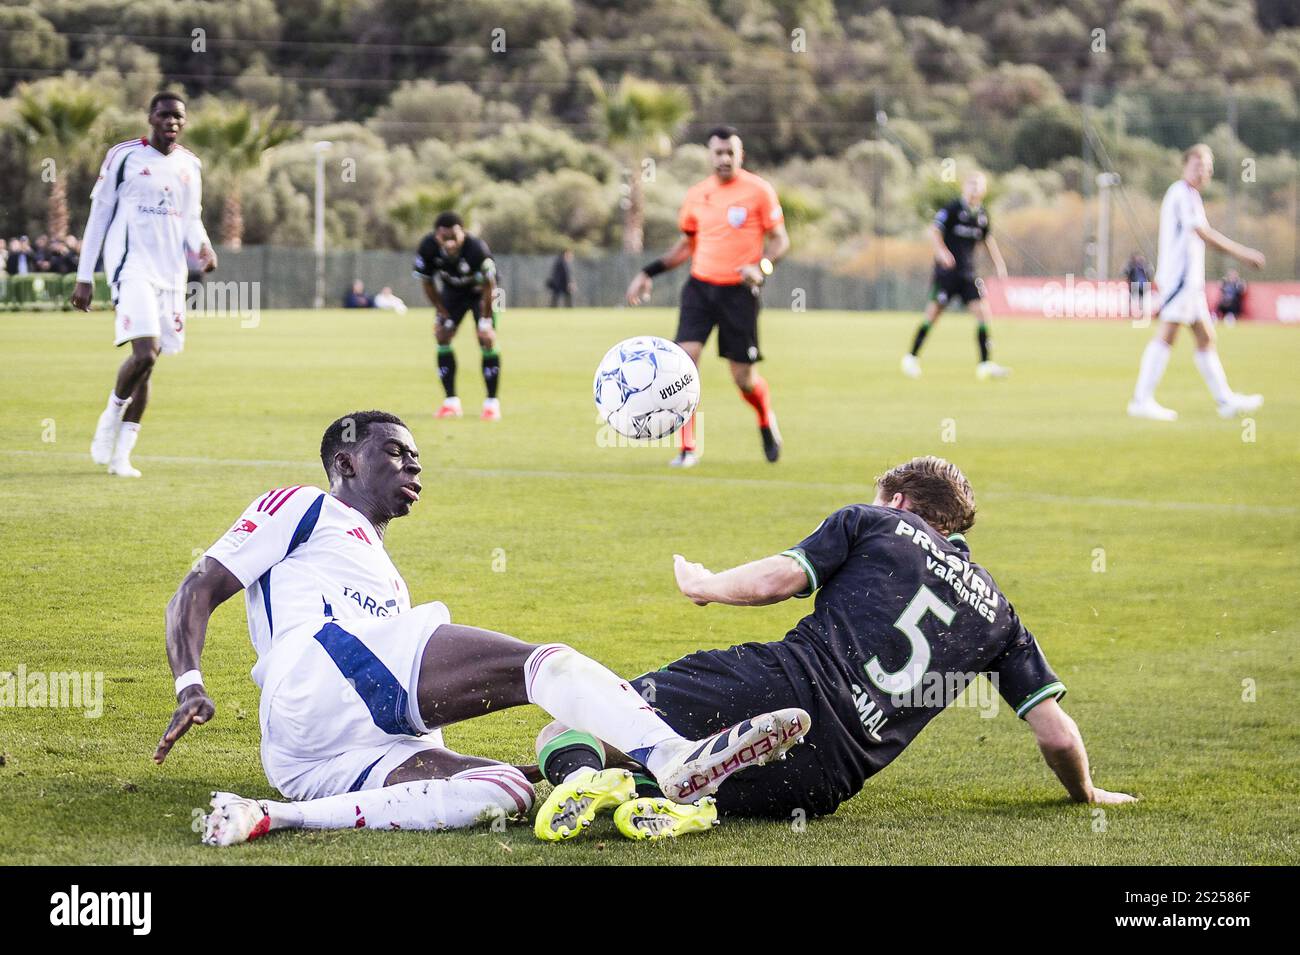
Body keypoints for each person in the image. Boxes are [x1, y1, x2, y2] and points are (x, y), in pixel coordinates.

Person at [156, 410, 808, 846]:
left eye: (417, 456)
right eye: (395, 451)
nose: (413, 465)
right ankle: (669, 756)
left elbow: (404, 703)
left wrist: (548, 760)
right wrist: (189, 681)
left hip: (306, 756)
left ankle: (268, 815)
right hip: (316, 671)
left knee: (504, 789)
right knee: (537, 663)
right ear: (346, 462)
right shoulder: (306, 505)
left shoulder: (384, 573)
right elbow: (198, 586)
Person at [530, 455, 1135, 841]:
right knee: (682, 770)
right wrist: (1085, 794)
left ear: (899, 502)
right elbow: (1055, 733)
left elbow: (775, 582)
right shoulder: (1002, 619)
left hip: (779, 686)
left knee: (569, 726)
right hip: (826, 781)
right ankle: (683, 804)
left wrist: (704, 585)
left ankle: (579, 774)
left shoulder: (877, 524)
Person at [626, 125, 790, 468]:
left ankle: (765, 419)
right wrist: (648, 272)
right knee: (683, 365)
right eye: (718, 152)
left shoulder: (759, 191)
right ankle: (688, 448)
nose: (724, 158)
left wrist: (761, 266)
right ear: (709, 155)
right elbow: (686, 246)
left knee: (743, 379)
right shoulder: (697, 195)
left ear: (740, 155)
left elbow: (780, 241)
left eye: (731, 152)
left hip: (739, 294)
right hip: (700, 288)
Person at [72, 91, 217, 477]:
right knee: (146, 353)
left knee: (149, 368)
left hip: (171, 275)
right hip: (131, 266)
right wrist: (84, 276)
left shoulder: (190, 165)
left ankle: (122, 454)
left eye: (179, 117)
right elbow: (99, 215)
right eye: (165, 115)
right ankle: (110, 416)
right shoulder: (124, 157)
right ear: (151, 117)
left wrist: (203, 246)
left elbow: (191, 219)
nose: (172, 122)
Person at [1128, 145, 1265, 422]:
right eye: (1197, 165)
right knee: (1167, 334)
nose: (1202, 171)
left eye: (1206, 167)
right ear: (1184, 166)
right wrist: (1244, 254)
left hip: (1190, 283)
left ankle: (1225, 401)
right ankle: (1141, 400)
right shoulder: (1182, 193)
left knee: (1205, 338)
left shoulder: (1189, 195)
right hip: (1180, 281)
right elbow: (1203, 233)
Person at [902, 172, 1010, 380]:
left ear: (984, 190)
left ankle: (985, 364)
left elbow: (988, 240)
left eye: (978, 185)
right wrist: (942, 252)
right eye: (971, 184)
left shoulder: (982, 215)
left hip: (969, 274)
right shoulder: (952, 209)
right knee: (933, 314)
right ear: (964, 187)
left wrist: (998, 262)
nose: (974, 188)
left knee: (983, 313)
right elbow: (934, 231)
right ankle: (911, 358)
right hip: (947, 274)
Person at [413, 212, 502, 420]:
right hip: (453, 293)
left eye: (454, 236)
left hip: (482, 294)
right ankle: (451, 403)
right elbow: (427, 282)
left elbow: (491, 286)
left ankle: (491, 404)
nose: (450, 242)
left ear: (463, 233)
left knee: (486, 339)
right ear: (437, 236)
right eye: (445, 237)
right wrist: (441, 313)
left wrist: (486, 320)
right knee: (442, 335)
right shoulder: (427, 247)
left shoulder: (477, 249)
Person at [1123, 252, 1151, 317]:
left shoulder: (1141, 265)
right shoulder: (1135, 265)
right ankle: (1136, 312)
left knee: (1138, 299)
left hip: (1140, 284)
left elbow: (1125, 272)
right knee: (1137, 299)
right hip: (1139, 284)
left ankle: (1137, 313)